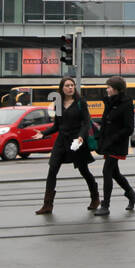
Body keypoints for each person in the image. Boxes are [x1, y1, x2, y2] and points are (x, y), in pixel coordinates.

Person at [35, 77, 100, 215]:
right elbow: (57, 126)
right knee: (52, 170)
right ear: (62, 88)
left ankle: (95, 198)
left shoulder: (80, 103)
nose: (70, 87)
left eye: (72, 85)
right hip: (61, 142)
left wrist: (81, 136)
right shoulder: (57, 103)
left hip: (77, 142)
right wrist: (43, 133)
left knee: (84, 171)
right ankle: (47, 205)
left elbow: (86, 123)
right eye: (67, 85)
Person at [94, 76, 135, 216]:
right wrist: (100, 138)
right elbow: (106, 122)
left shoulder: (126, 103)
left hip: (117, 143)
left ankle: (105, 205)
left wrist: (113, 138)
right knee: (114, 173)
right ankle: (132, 194)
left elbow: (129, 127)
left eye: (109, 87)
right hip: (108, 143)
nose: (106, 89)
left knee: (107, 171)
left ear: (116, 89)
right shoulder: (110, 102)